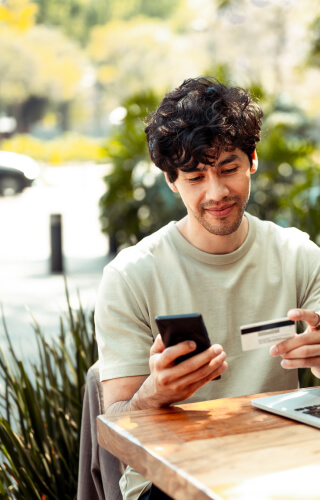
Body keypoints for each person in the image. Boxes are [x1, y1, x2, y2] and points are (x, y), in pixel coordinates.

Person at [95, 76, 320, 500]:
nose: (216, 193)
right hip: (170, 480)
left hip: (284, 465)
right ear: (171, 181)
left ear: (252, 160)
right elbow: (118, 418)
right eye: (195, 177)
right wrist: (154, 393)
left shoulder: (299, 256)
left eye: (228, 169)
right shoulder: (131, 275)